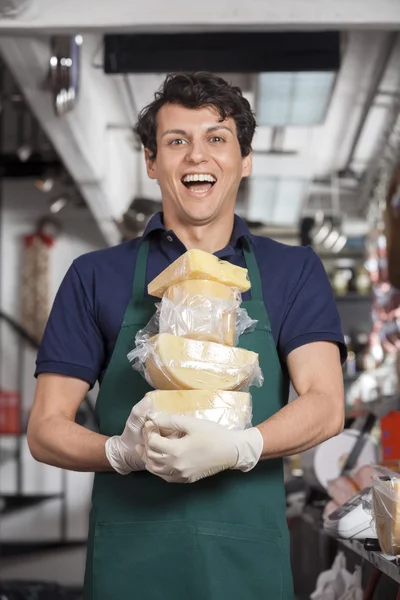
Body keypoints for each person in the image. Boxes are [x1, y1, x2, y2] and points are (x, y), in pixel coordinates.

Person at [28, 72, 347, 600]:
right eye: (177, 141)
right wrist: (119, 453)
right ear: (151, 162)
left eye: (216, 140)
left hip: (247, 560)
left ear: (245, 160)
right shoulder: (94, 275)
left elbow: (326, 403)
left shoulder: (294, 271)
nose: (197, 157)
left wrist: (243, 446)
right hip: (131, 562)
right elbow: (44, 428)